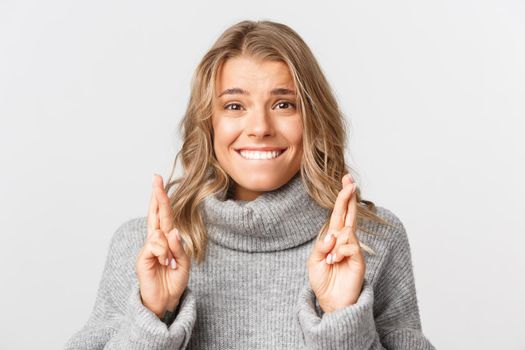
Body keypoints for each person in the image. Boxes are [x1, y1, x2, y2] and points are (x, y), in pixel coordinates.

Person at [64, 20, 436, 349]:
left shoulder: (371, 242)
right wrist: (152, 317)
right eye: (235, 106)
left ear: (314, 118)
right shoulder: (141, 247)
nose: (259, 127)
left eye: (284, 105)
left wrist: (341, 320)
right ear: (207, 124)